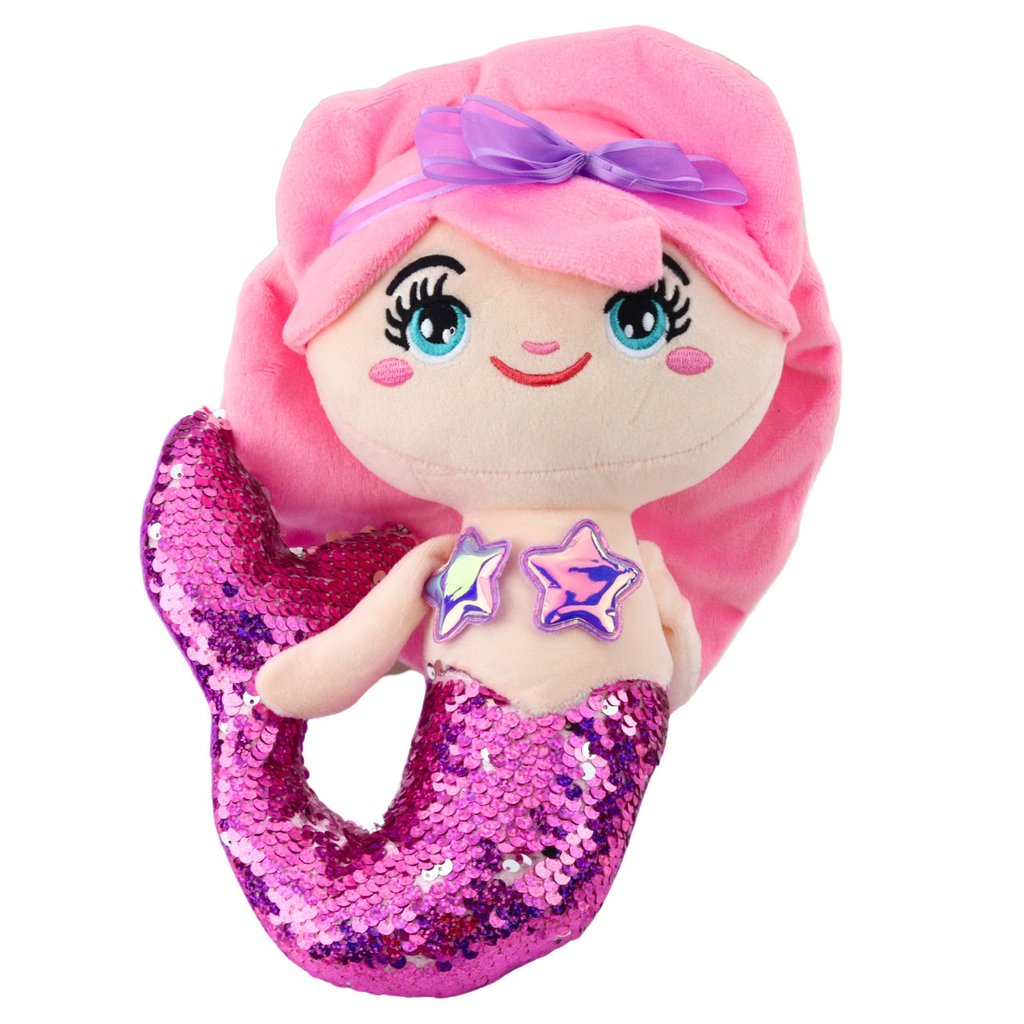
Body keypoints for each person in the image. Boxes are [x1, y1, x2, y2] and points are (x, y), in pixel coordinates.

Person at [143, 26, 839, 997]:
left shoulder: (629, 567)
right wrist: (269, 688)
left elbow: (678, 672)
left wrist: (662, 680)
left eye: (641, 316)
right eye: (433, 321)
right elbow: (324, 675)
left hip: (580, 817)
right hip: (412, 879)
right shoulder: (433, 569)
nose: (542, 354)